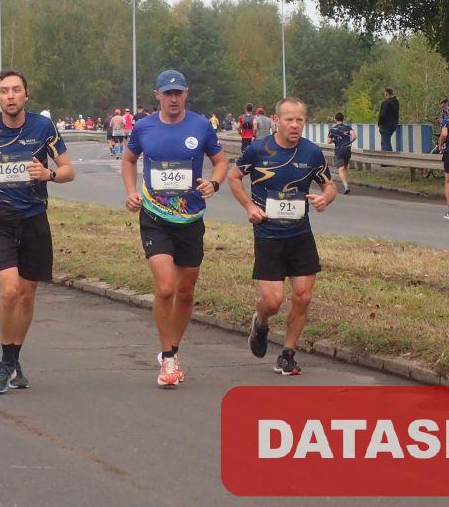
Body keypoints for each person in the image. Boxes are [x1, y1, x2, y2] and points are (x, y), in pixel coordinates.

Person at [0, 70, 74, 394]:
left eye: (16, 90)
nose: (10, 96)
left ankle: (13, 358)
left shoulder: (43, 127)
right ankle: (6, 362)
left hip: (34, 218)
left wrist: (48, 174)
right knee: (9, 290)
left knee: (27, 294)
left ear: (26, 95)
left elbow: (68, 170)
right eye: (4, 91)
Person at [122, 70, 227, 387]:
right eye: (167, 93)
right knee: (166, 287)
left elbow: (221, 162)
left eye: (178, 93)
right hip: (154, 217)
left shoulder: (201, 125)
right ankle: (167, 357)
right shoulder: (143, 127)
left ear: (186, 94)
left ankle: (173, 348)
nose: (173, 98)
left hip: (190, 219)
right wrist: (131, 191)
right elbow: (128, 160)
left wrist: (214, 183)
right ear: (157, 95)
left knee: (185, 291)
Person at [230, 97, 336, 376]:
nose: (295, 125)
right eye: (289, 120)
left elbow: (330, 185)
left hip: (300, 234)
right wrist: (249, 207)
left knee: (303, 297)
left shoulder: (312, 152)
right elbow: (233, 177)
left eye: (300, 120)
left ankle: (287, 354)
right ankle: (261, 322)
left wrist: (325, 198)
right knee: (273, 301)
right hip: (268, 234)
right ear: (276, 120)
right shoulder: (258, 150)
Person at [327, 113, 356, 194]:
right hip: (347, 150)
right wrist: (350, 142)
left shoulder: (332, 129)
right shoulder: (348, 127)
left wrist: (334, 140)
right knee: (345, 168)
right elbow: (354, 136)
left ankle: (346, 186)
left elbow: (328, 141)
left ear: (335, 119)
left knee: (340, 169)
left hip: (339, 151)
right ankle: (347, 185)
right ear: (343, 119)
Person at [378, 88, 400, 152]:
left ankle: (387, 157)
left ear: (386, 93)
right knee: (387, 141)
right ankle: (389, 156)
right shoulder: (396, 102)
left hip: (385, 125)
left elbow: (383, 115)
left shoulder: (386, 102)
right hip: (393, 125)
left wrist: (380, 123)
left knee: (385, 143)